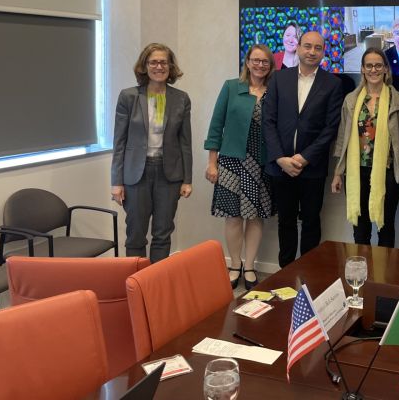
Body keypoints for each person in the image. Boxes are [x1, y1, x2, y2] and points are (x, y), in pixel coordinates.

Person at [262, 30, 343, 267]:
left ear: (324, 52)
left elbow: (331, 128)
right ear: (297, 48)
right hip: (281, 167)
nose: (312, 52)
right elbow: (269, 120)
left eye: (318, 48)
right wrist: (280, 158)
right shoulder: (278, 78)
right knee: (285, 221)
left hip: (312, 168)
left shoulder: (332, 84)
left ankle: (310, 274)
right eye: (307, 46)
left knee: (311, 221)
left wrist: (305, 157)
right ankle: (284, 272)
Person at [111, 43, 192, 262]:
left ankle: (156, 287)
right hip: (136, 174)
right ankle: (136, 288)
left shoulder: (181, 98)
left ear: (170, 66)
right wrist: (116, 182)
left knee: (163, 234)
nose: (159, 66)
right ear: (145, 66)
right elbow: (119, 142)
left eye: (163, 62)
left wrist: (187, 180)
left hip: (169, 174)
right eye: (153, 62)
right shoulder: (128, 97)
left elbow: (185, 142)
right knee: (135, 234)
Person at [204, 44, 276, 290]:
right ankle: (235, 264)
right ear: (247, 62)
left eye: (265, 61)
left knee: (255, 217)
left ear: (270, 65)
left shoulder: (274, 91)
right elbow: (216, 126)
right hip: (232, 160)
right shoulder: (231, 87)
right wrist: (212, 162)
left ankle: (251, 266)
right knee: (233, 216)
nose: (260, 65)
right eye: (255, 60)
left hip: (262, 162)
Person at [331, 48, 399, 247]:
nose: (373, 69)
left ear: (385, 69)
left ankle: (383, 276)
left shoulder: (397, 100)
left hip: (388, 172)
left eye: (378, 65)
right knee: (361, 229)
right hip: (357, 172)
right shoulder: (351, 100)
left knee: (386, 227)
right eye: (369, 65)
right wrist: (338, 173)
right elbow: (343, 137)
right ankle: (362, 275)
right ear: (363, 69)